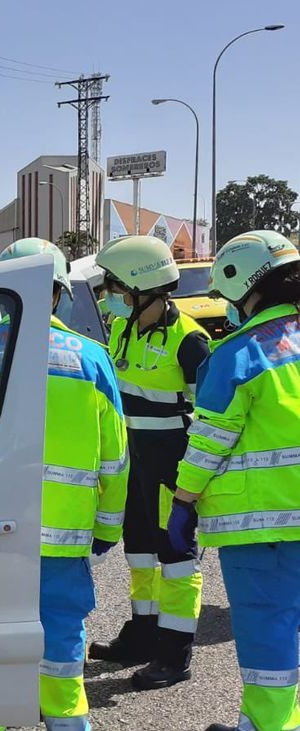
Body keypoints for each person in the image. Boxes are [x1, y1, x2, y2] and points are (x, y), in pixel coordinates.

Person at [0, 238, 128, 731]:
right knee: (62, 634)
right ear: (60, 293)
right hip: (64, 531)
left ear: (1, 294)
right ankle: (66, 722)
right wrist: (108, 527)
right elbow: (116, 457)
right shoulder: (92, 358)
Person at [168, 231, 300, 731]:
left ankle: (269, 725)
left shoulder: (238, 355)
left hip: (262, 527)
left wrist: (183, 503)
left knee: (269, 636)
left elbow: (207, 444)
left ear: (245, 285)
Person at [87, 235, 209, 690]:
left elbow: (211, 421)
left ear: (144, 289)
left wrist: (191, 489)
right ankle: (142, 634)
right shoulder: (122, 329)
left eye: (118, 290)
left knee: (176, 559)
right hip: (134, 464)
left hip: (171, 469)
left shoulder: (190, 343)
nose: (113, 300)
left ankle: (173, 655)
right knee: (138, 552)